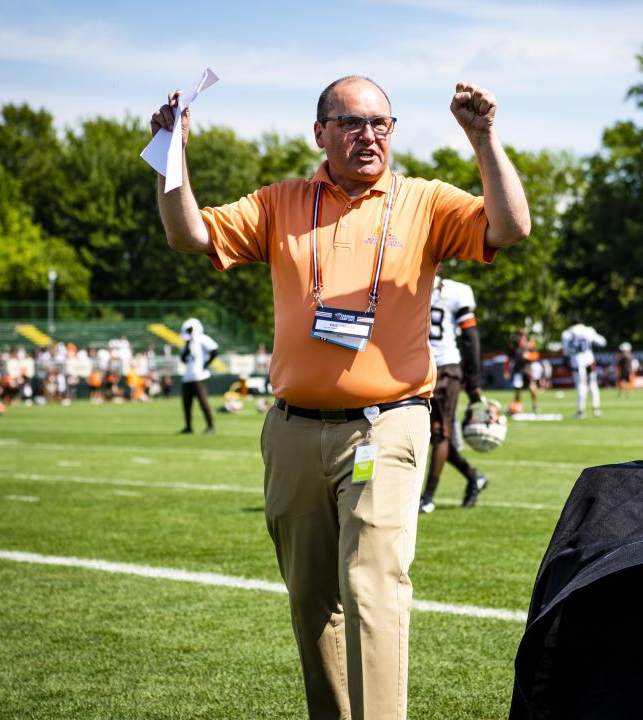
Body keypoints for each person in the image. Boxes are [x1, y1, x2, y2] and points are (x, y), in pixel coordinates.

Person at [151, 74, 529, 720]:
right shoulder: (282, 202)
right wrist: (171, 152)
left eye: (381, 123)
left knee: (372, 589)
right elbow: (189, 235)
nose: (369, 135)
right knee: (311, 601)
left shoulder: (424, 201)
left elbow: (512, 226)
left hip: (388, 424)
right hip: (293, 429)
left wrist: (484, 139)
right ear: (319, 132)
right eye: (352, 123)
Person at [419, 271, 488, 514]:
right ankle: (473, 476)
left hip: (444, 369)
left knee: (440, 434)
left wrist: (473, 382)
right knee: (428, 434)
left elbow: (470, 338)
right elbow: (470, 339)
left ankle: (426, 497)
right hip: (419, 369)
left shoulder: (453, 292)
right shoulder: (450, 291)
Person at [177, 317, 218, 434]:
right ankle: (188, 427)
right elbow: (183, 358)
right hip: (187, 377)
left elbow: (214, 350)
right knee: (186, 404)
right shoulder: (187, 344)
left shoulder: (202, 339)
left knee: (203, 402)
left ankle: (211, 426)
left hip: (199, 377)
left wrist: (206, 363)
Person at [562, 319, 606, 419]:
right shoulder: (588, 330)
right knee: (593, 384)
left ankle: (581, 411)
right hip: (589, 361)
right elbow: (602, 342)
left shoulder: (567, 334)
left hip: (576, 362)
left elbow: (565, 351)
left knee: (581, 386)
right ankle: (596, 409)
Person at [509, 328, 539, 413]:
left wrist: (529, 356)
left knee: (532, 388)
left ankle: (535, 405)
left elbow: (536, 355)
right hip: (518, 370)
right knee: (517, 389)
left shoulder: (529, 345)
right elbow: (509, 358)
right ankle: (517, 407)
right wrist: (507, 370)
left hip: (527, 369)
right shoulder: (514, 346)